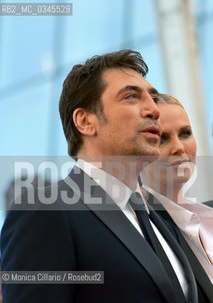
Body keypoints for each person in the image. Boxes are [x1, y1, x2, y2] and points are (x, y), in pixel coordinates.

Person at [1, 50, 212, 303]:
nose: (153, 110)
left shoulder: (162, 221)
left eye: (153, 98)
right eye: (132, 97)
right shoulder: (44, 209)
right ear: (85, 121)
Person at [141, 93, 213, 286]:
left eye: (185, 133)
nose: (179, 147)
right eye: (162, 139)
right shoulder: (141, 230)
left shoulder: (208, 215)